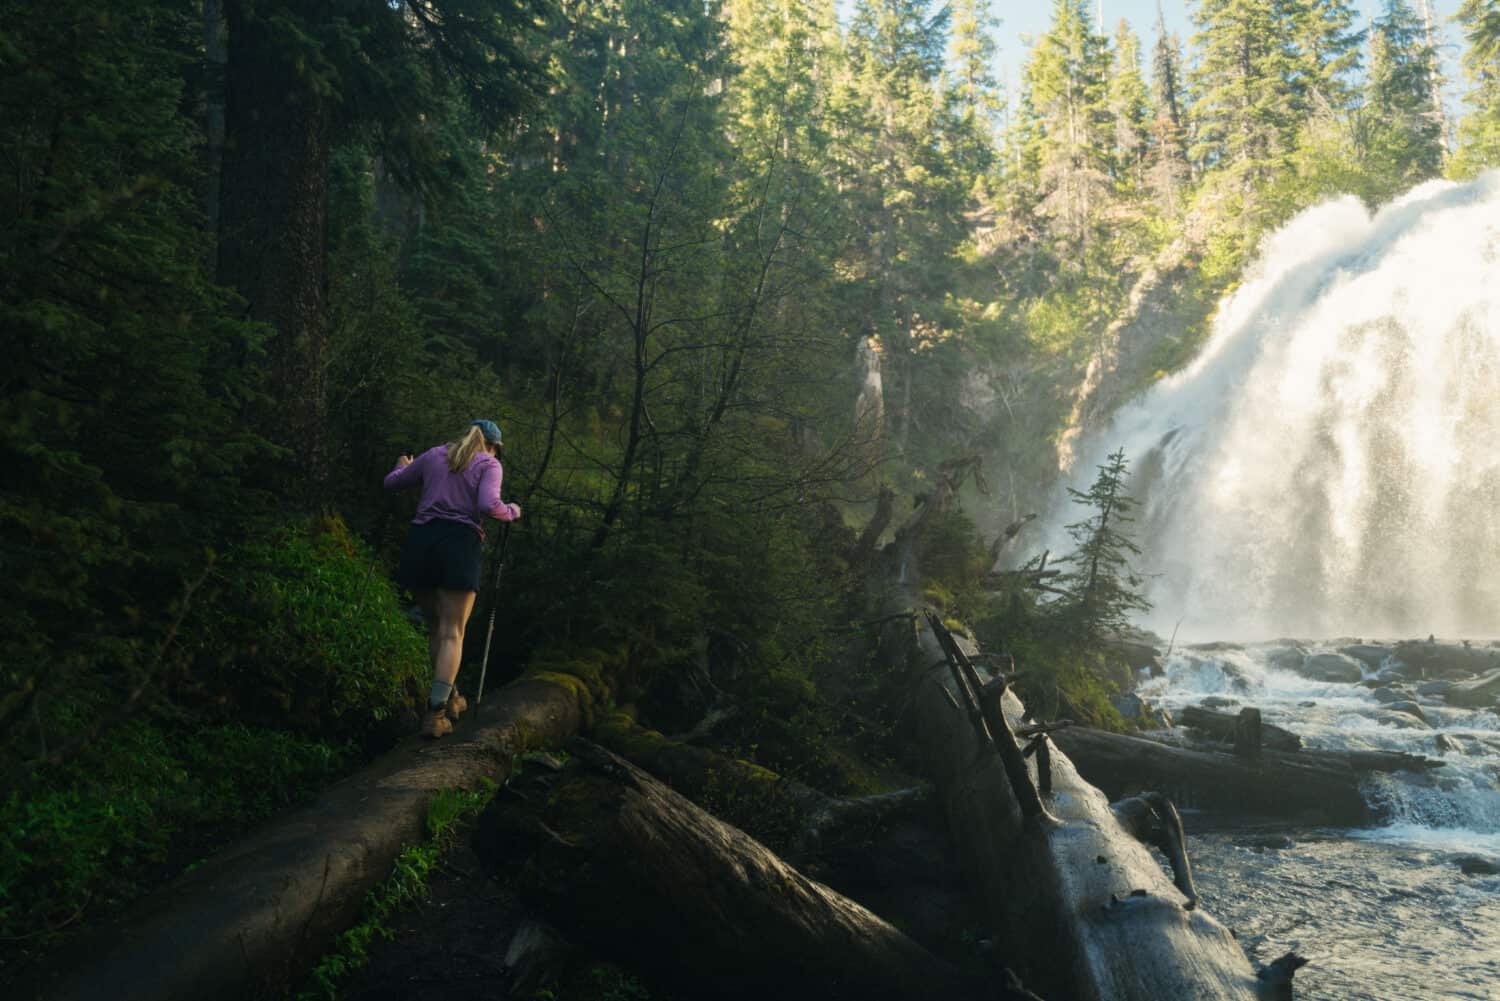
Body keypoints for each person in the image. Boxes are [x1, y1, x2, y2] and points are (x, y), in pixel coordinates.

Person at [383, 419, 521, 738]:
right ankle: (435, 716)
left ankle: (452, 697)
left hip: (420, 544)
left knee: (436, 629)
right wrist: (512, 511)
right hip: (458, 545)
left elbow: (392, 483)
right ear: (493, 446)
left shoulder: (433, 455)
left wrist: (401, 466)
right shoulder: (489, 463)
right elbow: (489, 505)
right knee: (452, 632)